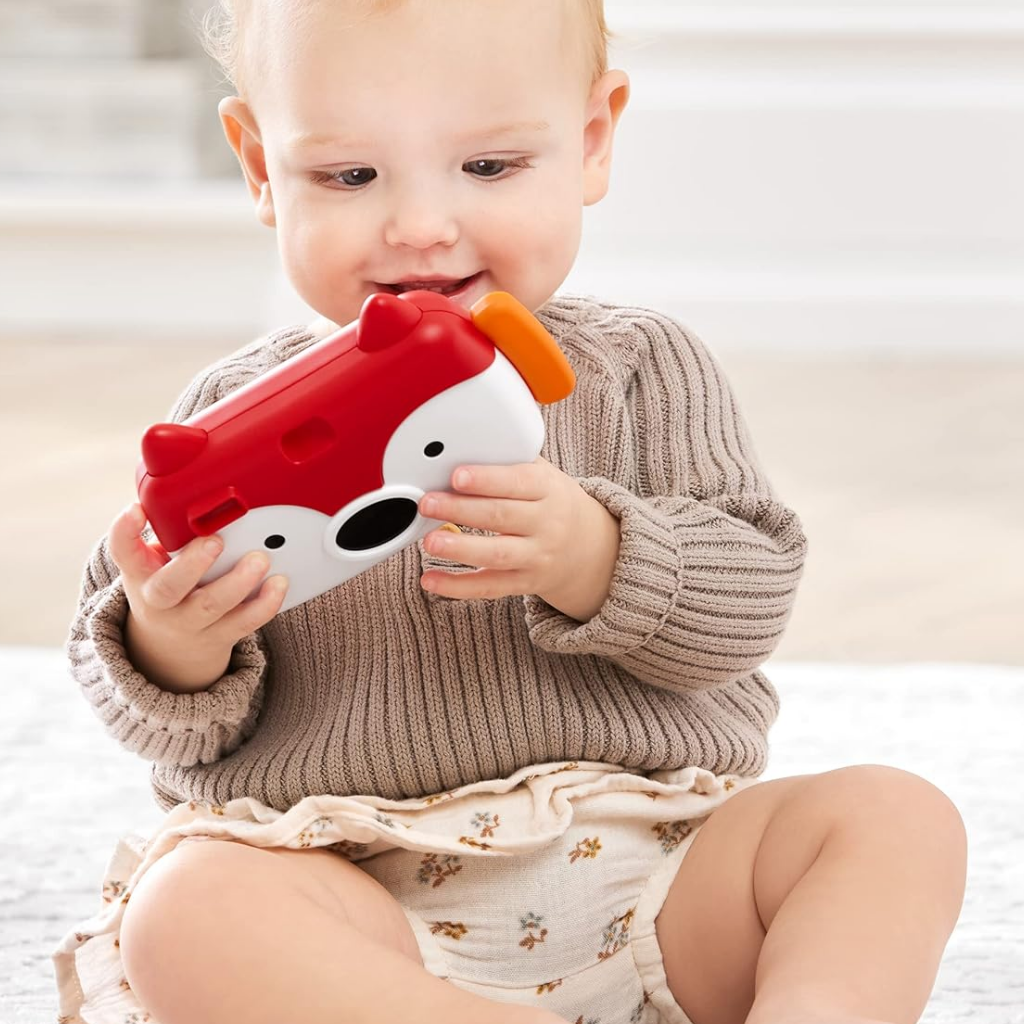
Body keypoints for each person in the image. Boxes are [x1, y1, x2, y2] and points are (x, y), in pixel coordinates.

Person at [54, 2, 967, 1023]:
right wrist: (175, 644)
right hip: (357, 894)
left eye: (487, 167)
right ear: (263, 168)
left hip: (657, 875)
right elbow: (150, 709)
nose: (419, 226)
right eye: (349, 176)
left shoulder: (639, 368)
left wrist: (597, 554)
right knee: (190, 910)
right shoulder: (226, 420)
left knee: (893, 816)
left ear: (591, 140)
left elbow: (750, 604)